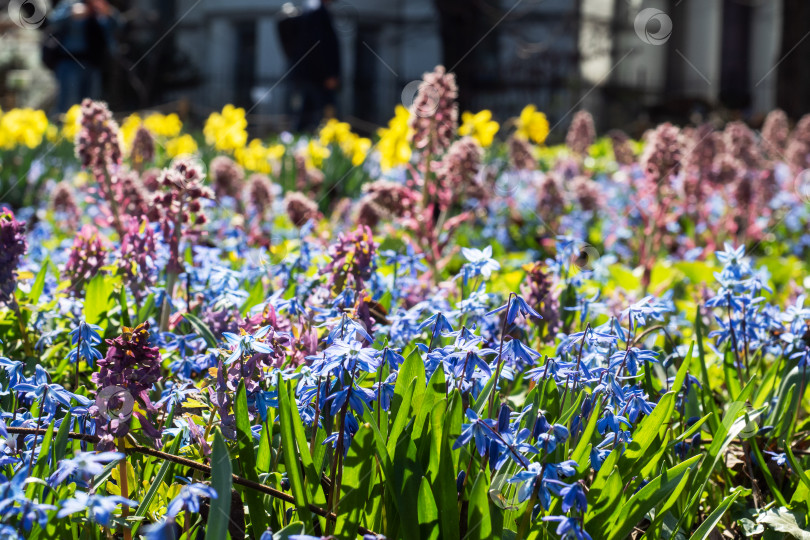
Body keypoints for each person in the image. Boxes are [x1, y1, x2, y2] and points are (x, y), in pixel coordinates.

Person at [279, 0, 341, 132]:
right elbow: (320, 46)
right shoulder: (317, 12)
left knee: (305, 114)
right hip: (317, 77)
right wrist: (329, 74)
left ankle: (301, 143)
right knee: (317, 114)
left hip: (308, 75)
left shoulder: (310, 10)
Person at [47, 0, 119, 113]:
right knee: (67, 105)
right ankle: (62, 128)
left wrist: (109, 13)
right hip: (70, 63)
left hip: (94, 64)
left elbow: (119, 26)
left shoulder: (100, 5)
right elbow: (52, 22)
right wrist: (71, 14)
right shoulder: (70, 4)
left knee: (92, 106)